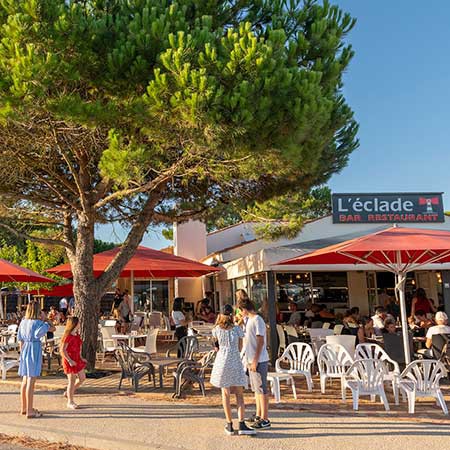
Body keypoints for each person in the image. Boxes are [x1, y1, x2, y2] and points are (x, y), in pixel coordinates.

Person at [210, 304, 256, 436]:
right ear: (232, 315)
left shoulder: (216, 329)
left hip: (222, 362)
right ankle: (241, 423)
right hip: (235, 360)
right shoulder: (236, 329)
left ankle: (229, 424)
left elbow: (215, 345)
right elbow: (241, 345)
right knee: (239, 395)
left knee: (225, 394)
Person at [17, 301, 55, 418]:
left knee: (24, 380)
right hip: (34, 348)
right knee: (31, 381)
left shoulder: (23, 322)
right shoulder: (39, 323)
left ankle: (24, 408)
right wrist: (46, 320)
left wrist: (22, 351)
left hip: (25, 349)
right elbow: (52, 329)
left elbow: (20, 338)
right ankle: (30, 410)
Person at [237, 297, 271, 429]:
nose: (240, 314)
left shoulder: (257, 320)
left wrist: (255, 360)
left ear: (244, 309)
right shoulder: (249, 320)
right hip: (250, 359)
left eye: (240, 311)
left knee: (262, 389)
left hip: (259, 359)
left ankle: (265, 418)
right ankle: (258, 414)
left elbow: (260, 341)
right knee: (256, 389)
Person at [60, 316, 87, 409]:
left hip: (76, 359)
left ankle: (68, 392)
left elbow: (78, 348)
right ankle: (70, 401)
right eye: (78, 323)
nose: (80, 324)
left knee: (82, 378)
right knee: (71, 380)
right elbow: (62, 350)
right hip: (69, 360)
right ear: (74, 324)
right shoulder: (67, 336)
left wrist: (81, 358)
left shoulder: (77, 335)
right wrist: (70, 360)